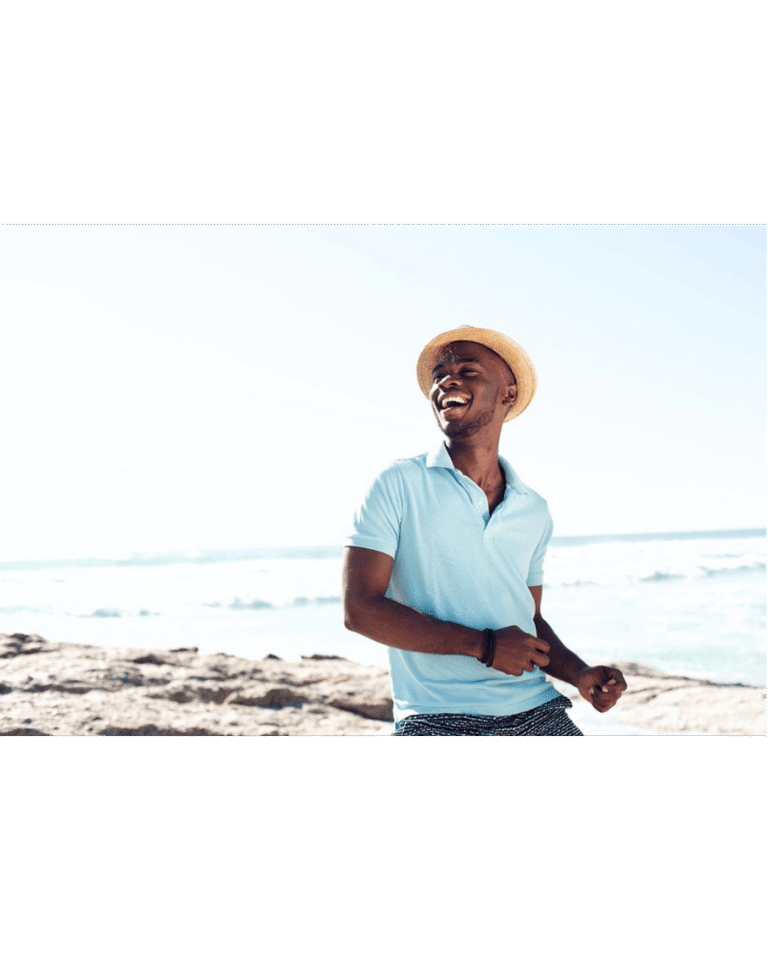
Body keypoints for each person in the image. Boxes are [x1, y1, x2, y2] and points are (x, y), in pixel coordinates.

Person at [342, 325, 627, 736]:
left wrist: (579, 673)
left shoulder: (533, 509)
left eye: (467, 370)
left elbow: (527, 620)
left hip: (537, 709)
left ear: (507, 393)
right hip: (433, 717)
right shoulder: (398, 483)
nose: (447, 381)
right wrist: (485, 645)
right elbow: (360, 609)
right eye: (440, 374)